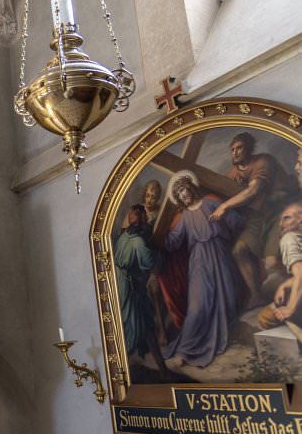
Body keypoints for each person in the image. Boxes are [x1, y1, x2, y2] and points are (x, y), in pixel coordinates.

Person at [162, 173, 245, 367]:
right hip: (199, 262)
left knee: (229, 299)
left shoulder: (211, 204)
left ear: (191, 188)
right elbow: (173, 242)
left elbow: (236, 221)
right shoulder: (183, 218)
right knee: (197, 306)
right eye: (179, 194)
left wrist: (228, 215)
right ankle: (184, 351)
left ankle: (215, 338)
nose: (183, 195)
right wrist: (156, 238)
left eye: (184, 190)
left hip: (220, 255)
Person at [211, 132, 298, 306]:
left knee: (272, 261)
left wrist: (225, 206)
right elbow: (218, 189)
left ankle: (296, 288)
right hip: (257, 218)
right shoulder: (234, 172)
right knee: (239, 250)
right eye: (232, 149)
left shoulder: (263, 161)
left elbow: (253, 190)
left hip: (278, 213)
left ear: (249, 148)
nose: (235, 153)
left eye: (239, 148)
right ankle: (255, 295)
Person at [114, 205, 170, 374]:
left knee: (133, 325)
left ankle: (129, 368)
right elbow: (150, 262)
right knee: (145, 326)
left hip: (124, 285)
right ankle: (162, 369)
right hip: (133, 289)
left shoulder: (123, 237)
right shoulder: (138, 242)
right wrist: (160, 251)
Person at [258, 202, 302, 329]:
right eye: (280, 219)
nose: (280, 224)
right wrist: (285, 285)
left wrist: (290, 308)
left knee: (265, 318)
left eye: (287, 217)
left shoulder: (290, 238)